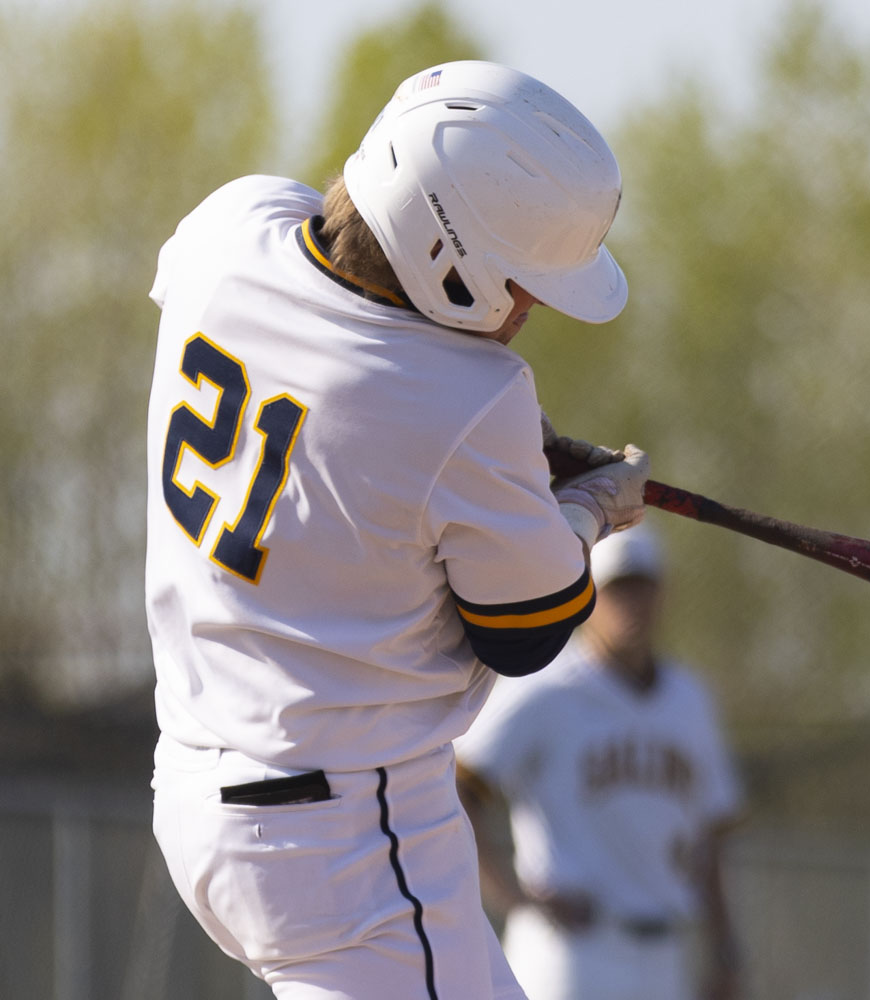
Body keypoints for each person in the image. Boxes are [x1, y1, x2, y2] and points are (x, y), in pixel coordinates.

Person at [145, 61, 650, 999]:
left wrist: (490, 472)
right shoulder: (473, 399)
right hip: (346, 841)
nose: (531, 308)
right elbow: (530, 629)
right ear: (446, 249)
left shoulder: (232, 224)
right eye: (523, 281)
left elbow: (317, 358)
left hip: (196, 787)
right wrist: (587, 509)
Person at [456, 523, 745, 1000]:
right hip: (572, 950)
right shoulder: (545, 687)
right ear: (589, 595)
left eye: (642, 587)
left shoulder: (690, 699)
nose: (631, 604)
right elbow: (459, 784)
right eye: (617, 590)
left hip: (665, 948)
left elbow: (710, 835)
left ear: (662, 593)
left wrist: (725, 949)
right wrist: (511, 896)